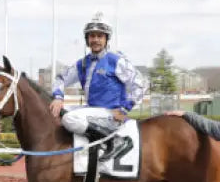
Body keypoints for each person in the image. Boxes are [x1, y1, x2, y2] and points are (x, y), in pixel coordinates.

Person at [49, 13, 148, 144]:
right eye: (92, 36)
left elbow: (141, 84)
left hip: (110, 114)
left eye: (100, 36)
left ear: (106, 39)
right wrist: (58, 97)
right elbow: (60, 79)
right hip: (91, 111)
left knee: (69, 119)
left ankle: (111, 141)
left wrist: (124, 109)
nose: (95, 40)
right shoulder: (83, 63)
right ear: (87, 39)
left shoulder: (116, 60)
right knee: (53, 111)